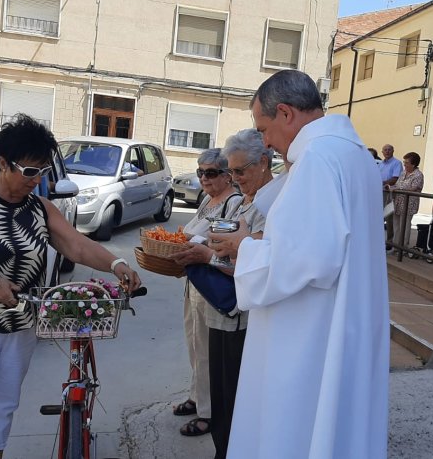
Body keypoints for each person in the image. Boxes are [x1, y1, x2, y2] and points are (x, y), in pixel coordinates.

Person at [0, 114, 141, 459]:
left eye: (42, 171)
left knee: (1, 415)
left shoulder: (40, 208)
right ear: (2, 163)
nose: (36, 179)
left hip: (19, 327)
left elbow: (77, 246)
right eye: (29, 171)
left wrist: (116, 264)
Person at [209, 70, 389, 458]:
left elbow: (311, 259)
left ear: (286, 113)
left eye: (264, 128)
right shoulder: (353, 154)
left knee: (295, 427)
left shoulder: (317, 159)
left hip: (310, 328)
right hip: (345, 319)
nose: (267, 143)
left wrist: (245, 246)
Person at [171, 130, 274, 459]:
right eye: (231, 172)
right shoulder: (244, 201)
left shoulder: (265, 206)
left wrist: (207, 258)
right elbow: (226, 247)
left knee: (230, 395)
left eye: (239, 171)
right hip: (221, 311)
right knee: (220, 387)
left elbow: (256, 265)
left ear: (263, 164)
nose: (235, 178)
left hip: (237, 317)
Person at [167, 148, 242, 437]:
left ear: (226, 175)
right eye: (200, 172)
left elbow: (222, 244)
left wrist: (194, 245)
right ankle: (197, 397)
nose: (204, 178)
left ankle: (209, 413)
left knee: (208, 350)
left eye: (210, 173)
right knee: (194, 344)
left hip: (213, 285)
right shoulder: (208, 201)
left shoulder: (233, 203)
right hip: (195, 279)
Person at [389, 152, 424, 252]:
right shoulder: (403, 172)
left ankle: (403, 247)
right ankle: (395, 246)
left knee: (405, 225)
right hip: (398, 202)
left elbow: (412, 188)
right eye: (404, 162)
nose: (404, 164)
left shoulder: (418, 175)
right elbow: (398, 183)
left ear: (413, 164)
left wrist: (397, 188)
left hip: (408, 204)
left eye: (407, 163)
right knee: (396, 225)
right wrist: (392, 187)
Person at [380, 144, 403, 249]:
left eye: (389, 150)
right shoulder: (380, 164)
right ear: (382, 152)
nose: (387, 151)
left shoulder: (397, 163)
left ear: (393, 151)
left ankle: (390, 242)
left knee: (389, 217)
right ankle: (379, 239)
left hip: (390, 193)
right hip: (379, 193)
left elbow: (395, 178)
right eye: (385, 150)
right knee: (379, 217)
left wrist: (381, 183)